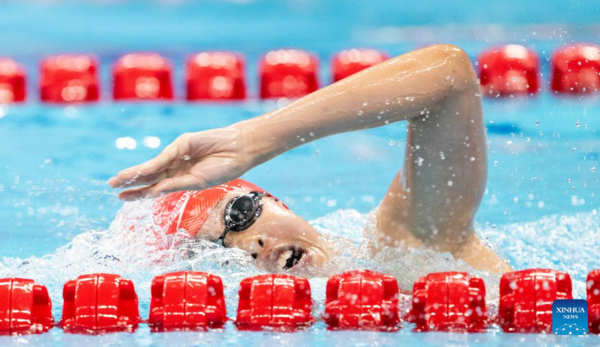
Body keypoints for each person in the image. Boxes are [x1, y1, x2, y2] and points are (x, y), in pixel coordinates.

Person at [108, 44, 512, 276]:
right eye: (216, 253)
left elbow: (450, 76)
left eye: (240, 214)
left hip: (572, 318)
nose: (253, 245)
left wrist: (252, 140)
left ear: (277, 201)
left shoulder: (410, 243)